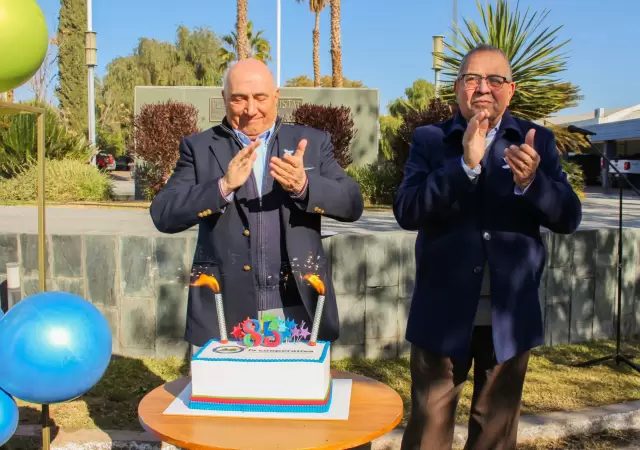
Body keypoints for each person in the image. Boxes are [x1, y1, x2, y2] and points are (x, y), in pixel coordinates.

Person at [393, 44, 582, 450]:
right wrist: (463, 167)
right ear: (457, 89)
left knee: (495, 436)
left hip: (509, 317)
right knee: (428, 430)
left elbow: (568, 218)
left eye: (494, 79)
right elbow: (407, 211)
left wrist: (534, 183)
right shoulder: (430, 140)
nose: (483, 88)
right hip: (441, 314)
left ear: (510, 90)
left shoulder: (538, 142)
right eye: (472, 78)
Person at [150, 59, 364, 354]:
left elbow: (352, 203)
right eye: (239, 99)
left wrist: (305, 186)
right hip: (225, 309)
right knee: (228, 399)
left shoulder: (312, 143)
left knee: (295, 398)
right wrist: (222, 187)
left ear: (276, 96)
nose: (251, 110)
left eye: (260, 98)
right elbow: (163, 214)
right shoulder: (199, 147)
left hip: (297, 308)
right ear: (224, 98)